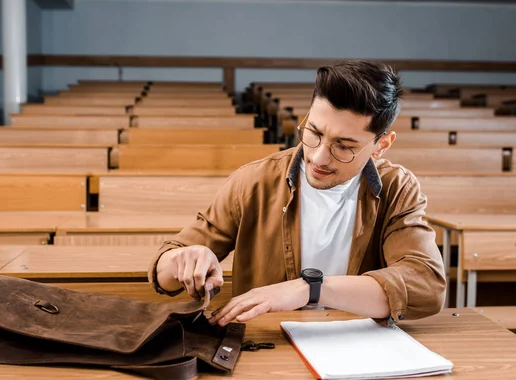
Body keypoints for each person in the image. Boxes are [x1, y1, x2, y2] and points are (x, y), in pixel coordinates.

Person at [148, 60, 446, 327]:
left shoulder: (397, 189)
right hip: (268, 346)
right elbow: (164, 272)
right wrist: (183, 260)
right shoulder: (253, 181)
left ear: (381, 145)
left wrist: (310, 288)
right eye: (313, 133)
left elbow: (426, 285)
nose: (318, 157)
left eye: (344, 147)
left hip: (358, 348)